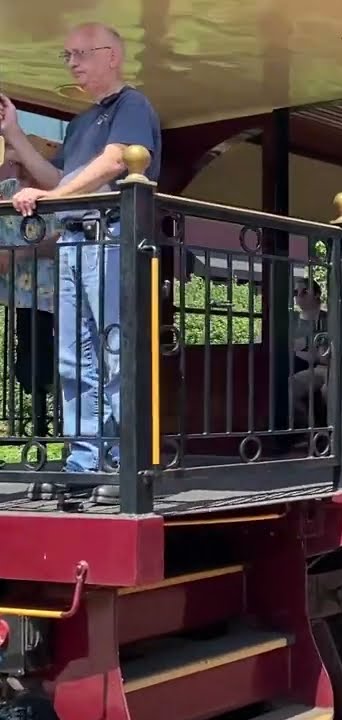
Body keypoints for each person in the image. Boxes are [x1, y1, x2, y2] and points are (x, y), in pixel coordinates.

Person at [0, 22, 162, 473]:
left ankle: (120, 460)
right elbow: (55, 179)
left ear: (111, 56)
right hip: (74, 243)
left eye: (80, 53)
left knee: (114, 353)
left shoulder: (132, 105)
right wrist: (14, 133)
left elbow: (116, 161)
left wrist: (55, 198)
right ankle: (84, 461)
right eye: (66, 55)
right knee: (75, 358)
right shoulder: (80, 122)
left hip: (110, 241)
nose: (72, 63)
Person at [0, 164, 59, 439]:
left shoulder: (59, 186)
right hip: (22, 297)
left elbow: (65, 238)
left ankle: (65, 431)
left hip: (60, 293)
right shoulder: (7, 192)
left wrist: (22, 254)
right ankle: (39, 429)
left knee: (64, 364)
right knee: (29, 364)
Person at [289, 279, 330, 427]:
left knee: (329, 390)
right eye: (296, 292)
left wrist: (302, 347)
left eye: (304, 291)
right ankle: (309, 433)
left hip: (328, 367)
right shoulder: (293, 320)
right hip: (315, 368)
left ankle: (329, 435)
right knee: (290, 386)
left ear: (317, 294)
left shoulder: (328, 318)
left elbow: (323, 355)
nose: (299, 296)